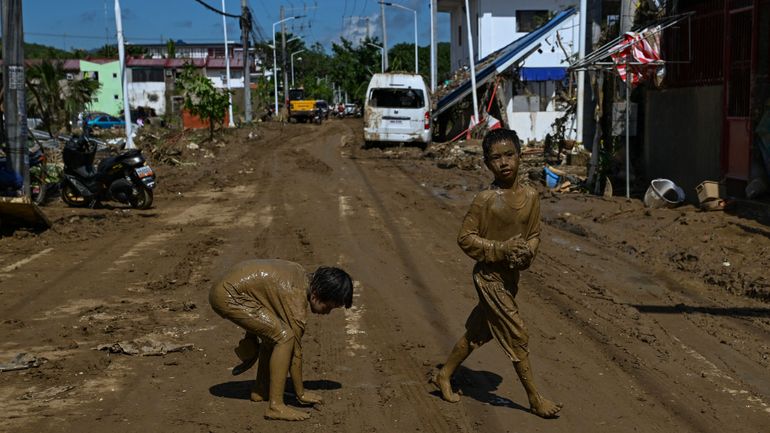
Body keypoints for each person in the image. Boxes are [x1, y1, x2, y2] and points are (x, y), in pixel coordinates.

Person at [432, 128, 562, 418]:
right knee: (517, 334)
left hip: (510, 278)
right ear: (487, 163)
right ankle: (534, 398)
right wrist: (500, 249)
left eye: (509, 155)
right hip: (489, 278)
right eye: (496, 158)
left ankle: (444, 374)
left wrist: (528, 252)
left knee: (478, 333)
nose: (504, 163)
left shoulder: (531, 196)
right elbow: (465, 238)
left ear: (520, 156)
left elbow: (534, 234)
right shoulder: (486, 199)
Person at [209, 259, 353, 421]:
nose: (327, 313)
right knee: (284, 338)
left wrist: (251, 336)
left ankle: (261, 389)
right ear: (315, 296)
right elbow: (295, 352)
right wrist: (301, 393)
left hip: (226, 288)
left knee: (274, 335)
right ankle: (276, 406)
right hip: (228, 296)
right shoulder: (295, 297)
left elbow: (260, 293)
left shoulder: (299, 272)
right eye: (328, 307)